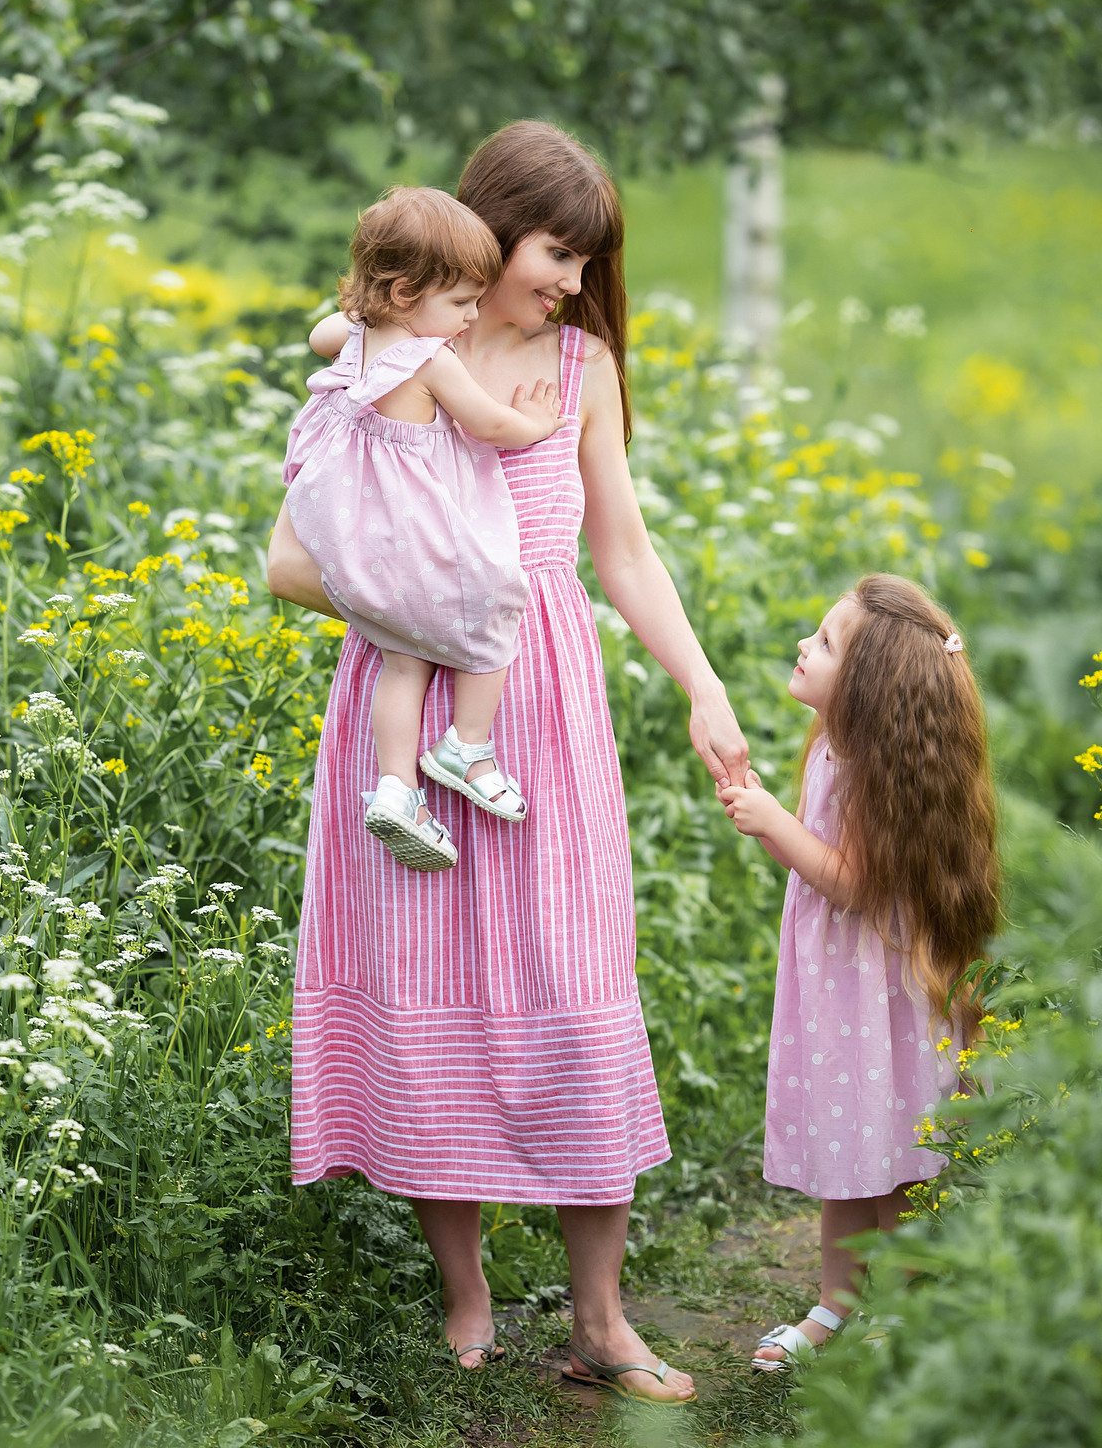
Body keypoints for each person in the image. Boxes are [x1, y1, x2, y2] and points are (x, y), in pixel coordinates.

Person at [267, 121, 749, 1405]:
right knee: (431, 979)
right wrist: (425, 602)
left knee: (577, 981)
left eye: (591, 262)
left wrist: (703, 685)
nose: (574, 283)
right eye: (557, 253)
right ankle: (466, 1299)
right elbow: (290, 558)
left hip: (544, 712)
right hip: (410, 712)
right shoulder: (389, 355)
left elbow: (623, 554)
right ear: (490, 229)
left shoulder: (581, 363)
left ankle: (599, 1316)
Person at [715, 575, 1002, 1372]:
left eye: (826, 642)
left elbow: (855, 883)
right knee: (846, 1152)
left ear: (870, 689)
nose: (806, 646)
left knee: (895, 1164)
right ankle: (833, 1305)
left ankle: (899, 1307)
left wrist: (773, 824)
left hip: (881, 998)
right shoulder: (840, 747)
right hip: (841, 988)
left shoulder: (878, 769)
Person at [281, 187, 563, 872]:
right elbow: (489, 425)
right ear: (407, 292)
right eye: (461, 302)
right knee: (497, 606)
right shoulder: (428, 360)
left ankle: (396, 788)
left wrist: (365, 309)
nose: (470, 318)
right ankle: (465, 745)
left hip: (355, 540)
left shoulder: (356, 339)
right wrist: (540, 423)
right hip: (416, 539)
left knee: (403, 662)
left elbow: (323, 330)